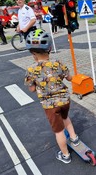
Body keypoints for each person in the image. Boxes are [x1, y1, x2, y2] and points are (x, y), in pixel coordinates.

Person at [24, 29, 79, 164]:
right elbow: (69, 77)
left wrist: (39, 83)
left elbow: (31, 89)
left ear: (32, 53)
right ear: (49, 49)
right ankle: (74, 137)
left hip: (50, 105)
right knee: (66, 118)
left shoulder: (31, 69)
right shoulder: (57, 63)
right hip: (65, 100)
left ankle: (65, 156)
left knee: (59, 131)